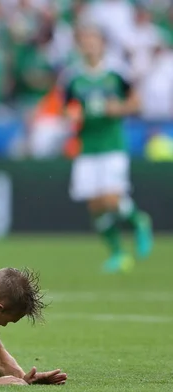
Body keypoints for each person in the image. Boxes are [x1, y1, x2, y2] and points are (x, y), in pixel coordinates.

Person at [62, 25, 153, 273]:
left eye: (94, 39)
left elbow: (136, 102)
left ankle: (139, 221)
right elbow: (66, 108)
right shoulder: (73, 77)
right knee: (94, 204)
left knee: (111, 198)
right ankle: (118, 254)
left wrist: (120, 108)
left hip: (112, 144)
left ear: (102, 44)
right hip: (87, 146)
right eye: (85, 40)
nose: (89, 44)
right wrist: (71, 115)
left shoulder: (116, 73)